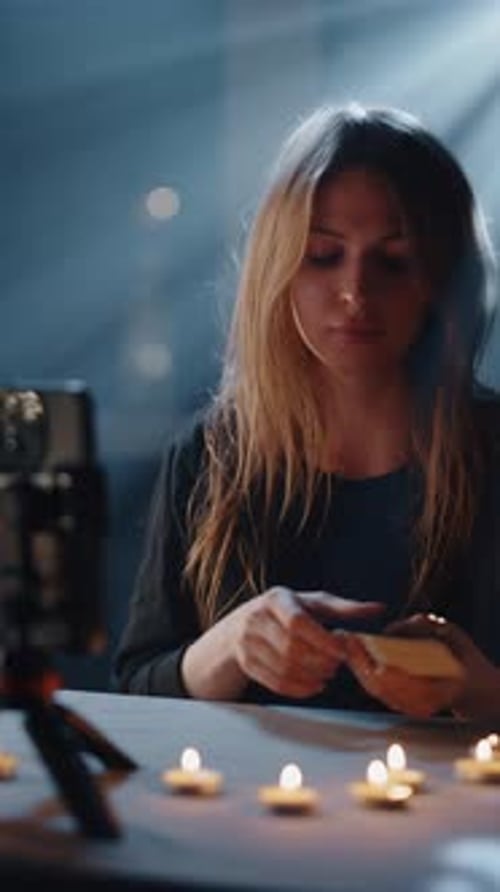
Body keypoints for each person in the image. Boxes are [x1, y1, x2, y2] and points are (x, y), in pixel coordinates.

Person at [114, 103, 500, 720]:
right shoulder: (212, 455)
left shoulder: (491, 453)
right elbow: (135, 690)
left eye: (394, 261)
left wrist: (474, 687)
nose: (355, 292)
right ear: (278, 266)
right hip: (244, 811)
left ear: (444, 278)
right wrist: (232, 646)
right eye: (324, 255)